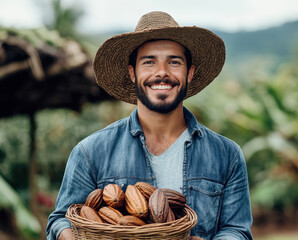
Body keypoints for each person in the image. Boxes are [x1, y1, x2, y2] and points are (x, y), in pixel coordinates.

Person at [46, 11, 253, 240]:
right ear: (132, 73)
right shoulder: (91, 152)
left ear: (190, 72)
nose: (162, 72)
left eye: (174, 62)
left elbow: (237, 230)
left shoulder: (226, 155)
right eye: (149, 62)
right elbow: (61, 219)